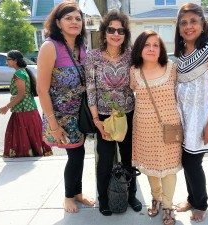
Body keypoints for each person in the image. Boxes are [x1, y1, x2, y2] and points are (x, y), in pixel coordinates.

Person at [36, 1, 95, 213]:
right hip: (60, 116)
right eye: (68, 18)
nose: (74, 22)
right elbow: (42, 89)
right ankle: (69, 196)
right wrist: (53, 124)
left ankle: (76, 192)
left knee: (78, 153)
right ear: (58, 23)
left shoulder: (82, 47)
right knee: (75, 155)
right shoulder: (50, 46)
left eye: (78, 18)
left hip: (80, 114)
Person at [173, 3, 208, 222]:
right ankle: (191, 198)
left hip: (202, 119)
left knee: (193, 163)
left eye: (193, 21)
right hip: (184, 117)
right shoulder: (182, 51)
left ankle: (201, 204)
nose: (188, 26)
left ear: (202, 24)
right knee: (186, 161)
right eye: (184, 22)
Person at [84, 10, 142, 216]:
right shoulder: (93, 56)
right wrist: (96, 120)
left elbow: (141, 80)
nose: (116, 34)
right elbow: (90, 89)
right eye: (111, 29)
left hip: (128, 114)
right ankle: (104, 198)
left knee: (128, 158)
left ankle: (131, 193)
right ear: (104, 31)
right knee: (106, 160)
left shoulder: (131, 55)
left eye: (121, 30)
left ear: (125, 34)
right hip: (104, 118)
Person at [130, 30, 182, 225]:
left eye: (156, 45)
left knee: (169, 169)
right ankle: (156, 198)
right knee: (151, 168)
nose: (151, 49)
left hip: (169, 126)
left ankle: (168, 206)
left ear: (161, 49)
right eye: (147, 45)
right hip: (144, 128)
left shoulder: (172, 68)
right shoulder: (134, 71)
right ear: (140, 48)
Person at [0, 50, 52, 158]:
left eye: (8, 59)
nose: (6, 62)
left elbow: (21, 94)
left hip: (23, 108)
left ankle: (23, 153)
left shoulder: (19, 73)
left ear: (15, 61)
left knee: (20, 131)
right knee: (26, 131)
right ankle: (33, 151)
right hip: (28, 107)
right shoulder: (23, 71)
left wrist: (7, 107)